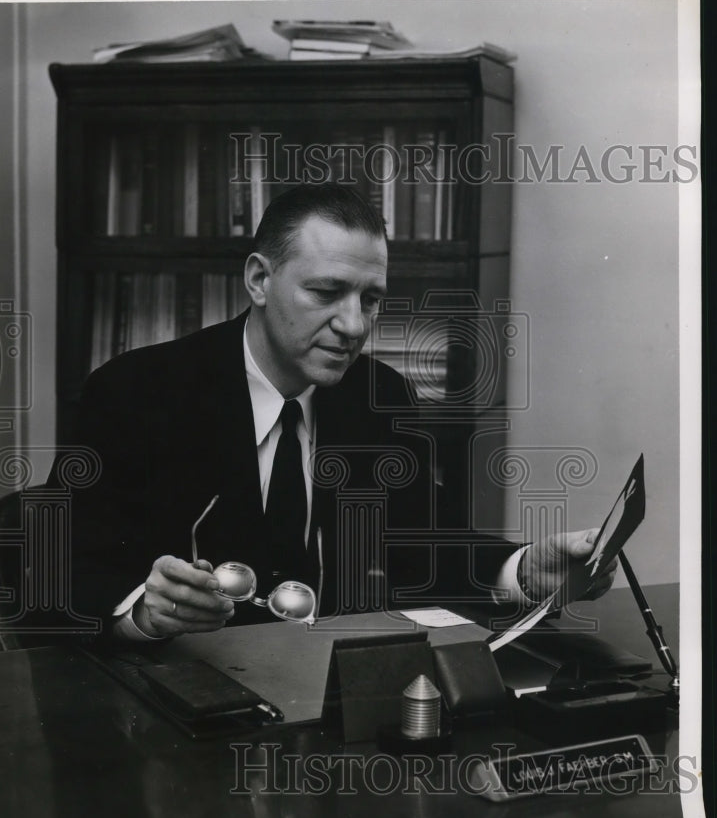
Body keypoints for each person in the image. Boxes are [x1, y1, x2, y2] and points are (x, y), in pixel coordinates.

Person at [52, 184, 615, 641]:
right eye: (326, 292)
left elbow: (427, 548)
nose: (353, 325)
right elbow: (56, 568)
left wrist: (522, 571)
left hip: (330, 703)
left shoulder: (381, 394)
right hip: (179, 698)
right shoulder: (135, 391)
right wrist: (144, 614)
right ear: (259, 280)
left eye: (370, 299)